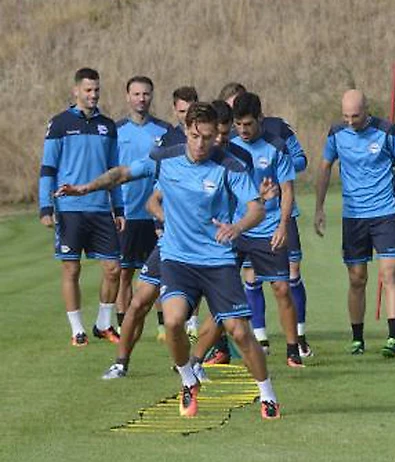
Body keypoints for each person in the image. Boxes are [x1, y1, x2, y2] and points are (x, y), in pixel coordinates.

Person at [56, 102, 283, 419]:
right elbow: (122, 173)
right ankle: (188, 379)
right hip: (177, 258)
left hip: (217, 260)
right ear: (186, 131)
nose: (201, 144)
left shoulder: (228, 166)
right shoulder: (166, 159)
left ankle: (267, 395)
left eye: (207, 137)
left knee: (241, 333)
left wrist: (237, 227)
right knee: (174, 322)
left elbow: (256, 207)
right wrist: (85, 188)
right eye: (195, 136)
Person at [212, 83, 311, 360]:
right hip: (235, 228)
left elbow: (288, 190)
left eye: (247, 124)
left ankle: (292, 350)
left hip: (268, 229)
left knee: (281, 288)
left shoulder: (275, 147)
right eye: (238, 124)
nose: (242, 130)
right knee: (221, 288)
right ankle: (219, 349)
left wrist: (282, 226)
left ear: (260, 119)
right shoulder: (226, 146)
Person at [315, 89, 395, 357]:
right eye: (346, 116)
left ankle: (393, 339)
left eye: (356, 116)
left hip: (384, 213)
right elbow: (325, 168)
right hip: (354, 216)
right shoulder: (336, 133)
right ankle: (357, 339)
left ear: (367, 109)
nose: (350, 121)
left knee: (389, 274)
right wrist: (319, 207)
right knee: (357, 279)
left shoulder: (387, 130)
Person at [38, 67, 123, 346]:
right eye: (88, 90)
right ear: (76, 91)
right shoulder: (59, 124)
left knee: (113, 269)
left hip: (100, 208)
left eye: (96, 90)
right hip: (69, 209)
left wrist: (119, 208)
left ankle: (102, 324)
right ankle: (77, 329)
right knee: (71, 270)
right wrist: (45, 207)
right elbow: (48, 168)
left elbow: (115, 172)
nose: (93, 95)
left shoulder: (108, 126)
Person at [115, 76, 172, 332]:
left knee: (160, 272)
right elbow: (112, 172)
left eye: (146, 94)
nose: (141, 99)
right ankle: (122, 324)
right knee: (124, 272)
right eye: (136, 94)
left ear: (152, 96)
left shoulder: (165, 131)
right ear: (128, 96)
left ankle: (162, 327)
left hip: (156, 214)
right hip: (127, 213)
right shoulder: (116, 131)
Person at [157, 85, 201, 340]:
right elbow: (159, 182)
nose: (186, 116)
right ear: (174, 110)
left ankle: (194, 321)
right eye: (181, 111)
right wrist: (159, 219)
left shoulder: (206, 135)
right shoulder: (168, 140)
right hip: (172, 221)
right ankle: (169, 322)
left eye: (190, 110)